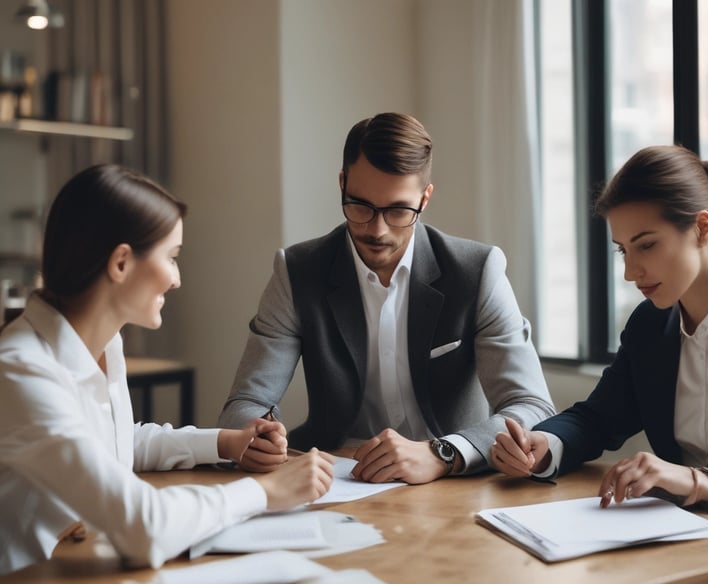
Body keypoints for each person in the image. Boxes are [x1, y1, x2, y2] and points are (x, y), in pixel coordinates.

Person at [0, 164, 335, 575]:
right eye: (171, 257)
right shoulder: (19, 370)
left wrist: (227, 443)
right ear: (121, 263)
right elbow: (145, 526)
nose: (176, 279)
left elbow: (112, 445)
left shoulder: (103, 342)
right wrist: (265, 492)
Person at [218, 112, 555, 484]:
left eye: (398, 211)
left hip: (453, 478)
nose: (376, 230)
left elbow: (533, 407)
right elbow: (244, 403)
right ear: (342, 184)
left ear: (425, 199)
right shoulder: (298, 271)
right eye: (360, 205)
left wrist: (444, 452)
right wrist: (256, 434)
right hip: (335, 478)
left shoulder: (477, 271)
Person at [491, 144, 708, 527]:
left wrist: (697, 482)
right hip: (682, 536)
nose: (630, 272)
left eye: (647, 244)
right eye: (623, 251)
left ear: (702, 228)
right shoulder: (650, 326)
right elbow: (599, 418)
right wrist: (544, 445)